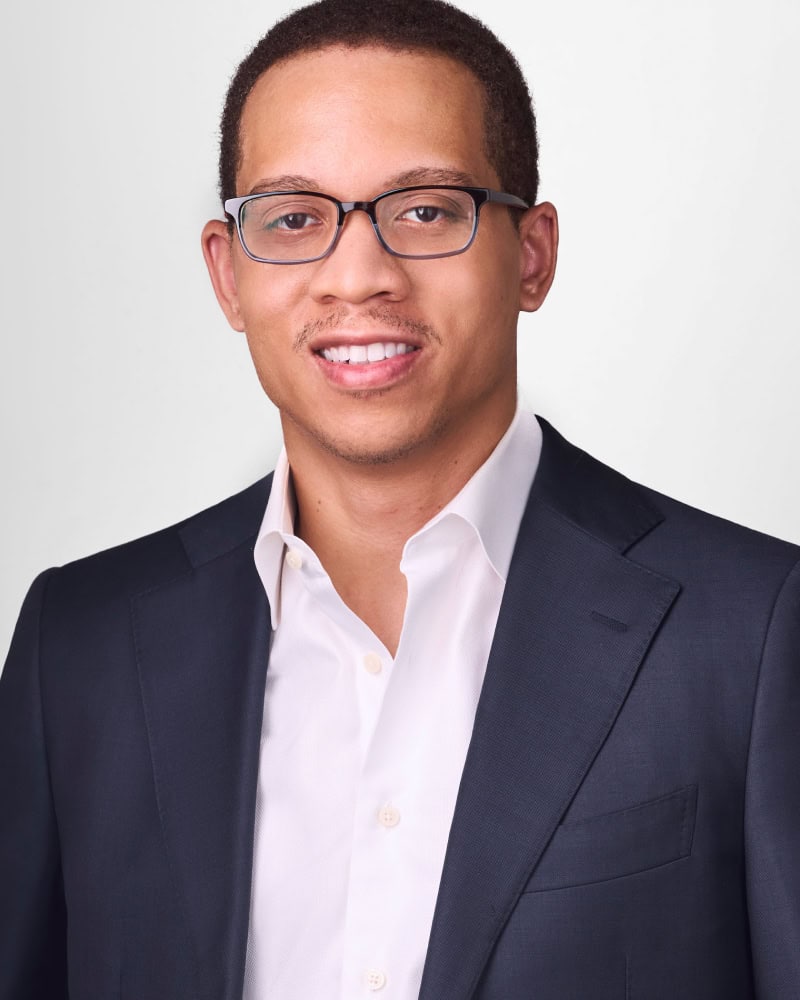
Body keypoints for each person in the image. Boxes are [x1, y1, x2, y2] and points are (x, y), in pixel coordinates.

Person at [1, 0, 798, 997]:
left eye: (424, 208)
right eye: (293, 218)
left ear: (531, 255)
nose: (358, 275)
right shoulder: (79, 648)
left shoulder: (754, 632)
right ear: (228, 275)